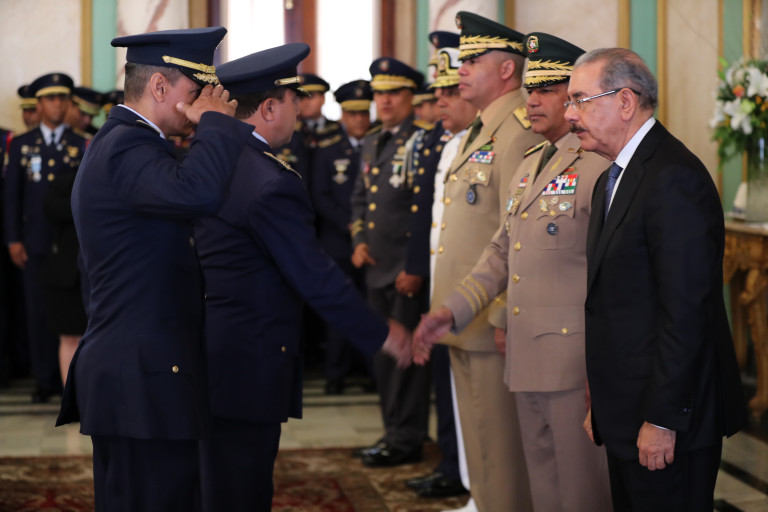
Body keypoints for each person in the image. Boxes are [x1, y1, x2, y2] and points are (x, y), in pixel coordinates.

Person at [194, 44, 412, 511]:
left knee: (218, 482)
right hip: (247, 358)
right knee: (241, 487)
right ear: (271, 108)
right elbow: (314, 276)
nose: (299, 111)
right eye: (295, 100)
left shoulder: (215, 159)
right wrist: (382, 334)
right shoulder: (268, 180)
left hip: (214, 348)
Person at [55, 26, 253, 512]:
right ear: (160, 86)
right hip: (140, 379)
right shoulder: (128, 145)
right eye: (197, 91)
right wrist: (216, 125)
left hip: (141, 374)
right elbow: (198, 193)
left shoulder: (129, 142)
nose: (204, 103)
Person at [414, 32, 613, 512]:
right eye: (531, 89)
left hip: (571, 358)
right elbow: (501, 252)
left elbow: (610, 273)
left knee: (581, 491)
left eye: (547, 90)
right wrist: (451, 311)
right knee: (542, 488)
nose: (533, 100)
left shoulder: (596, 167)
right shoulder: (530, 164)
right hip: (527, 354)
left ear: (574, 99)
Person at [566, 47, 747, 511]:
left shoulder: (673, 177)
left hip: (668, 421)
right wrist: (603, 403)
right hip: (627, 411)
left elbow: (686, 314)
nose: (570, 114)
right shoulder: (614, 178)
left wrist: (663, 420)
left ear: (625, 102)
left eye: (580, 100)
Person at [414, 11, 544, 511]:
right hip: (463, 317)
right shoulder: (479, 131)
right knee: (479, 451)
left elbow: (518, 236)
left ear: (507, 70)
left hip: (491, 323)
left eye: (473, 60)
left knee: (501, 454)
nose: (460, 69)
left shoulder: (517, 132)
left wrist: (503, 312)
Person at [350, 56, 432, 468]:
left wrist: (414, 267)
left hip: (403, 271)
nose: (384, 101)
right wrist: (359, 240)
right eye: (379, 94)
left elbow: (425, 210)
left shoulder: (422, 141)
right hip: (375, 267)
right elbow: (360, 198)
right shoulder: (371, 141)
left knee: (407, 360)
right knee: (383, 357)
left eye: (393, 93)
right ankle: (392, 431)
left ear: (411, 97)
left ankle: (406, 438)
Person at [403, 42, 472, 503]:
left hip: (474, 295)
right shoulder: (443, 144)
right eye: (439, 92)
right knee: (446, 386)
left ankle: (468, 477)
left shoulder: (490, 144)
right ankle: (455, 466)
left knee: (473, 398)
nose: (440, 101)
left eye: (451, 91)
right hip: (444, 289)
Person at [4, 72, 88, 403]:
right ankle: (44, 379)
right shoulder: (21, 145)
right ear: (38, 105)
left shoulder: (80, 144)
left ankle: (70, 381)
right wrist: (13, 239)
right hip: (35, 243)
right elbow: (12, 197)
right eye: (51, 99)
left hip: (69, 247)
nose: (57, 104)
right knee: (37, 313)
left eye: (62, 98)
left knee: (69, 316)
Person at [311, 79, 375, 395]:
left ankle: (372, 372)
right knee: (339, 307)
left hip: (373, 244)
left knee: (372, 309)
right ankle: (335, 374)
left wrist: (365, 230)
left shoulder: (379, 144)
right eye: (353, 114)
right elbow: (319, 195)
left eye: (364, 113)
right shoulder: (327, 148)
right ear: (343, 115)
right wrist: (351, 225)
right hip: (337, 244)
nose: (359, 120)